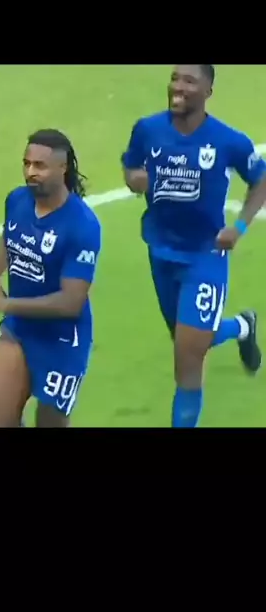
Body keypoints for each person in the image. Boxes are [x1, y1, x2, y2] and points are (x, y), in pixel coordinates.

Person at [121, 64, 266, 428]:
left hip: (205, 256)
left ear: (208, 92)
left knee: (187, 360)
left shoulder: (228, 141)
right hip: (160, 251)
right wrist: (135, 179)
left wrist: (239, 226)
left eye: (189, 81)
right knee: (187, 339)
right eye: (175, 78)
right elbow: (131, 166)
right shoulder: (148, 129)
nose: (178, 87)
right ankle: (242, 327)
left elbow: (261, 179)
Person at [0, 129, 102, 428]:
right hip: (19, 330)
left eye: (40, 166)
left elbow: (70, 302)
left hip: (62, 342)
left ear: (62, 167)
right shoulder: (17, 201)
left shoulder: (82, 225)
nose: (31, 172)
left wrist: (7, 305)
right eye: (27, 163)